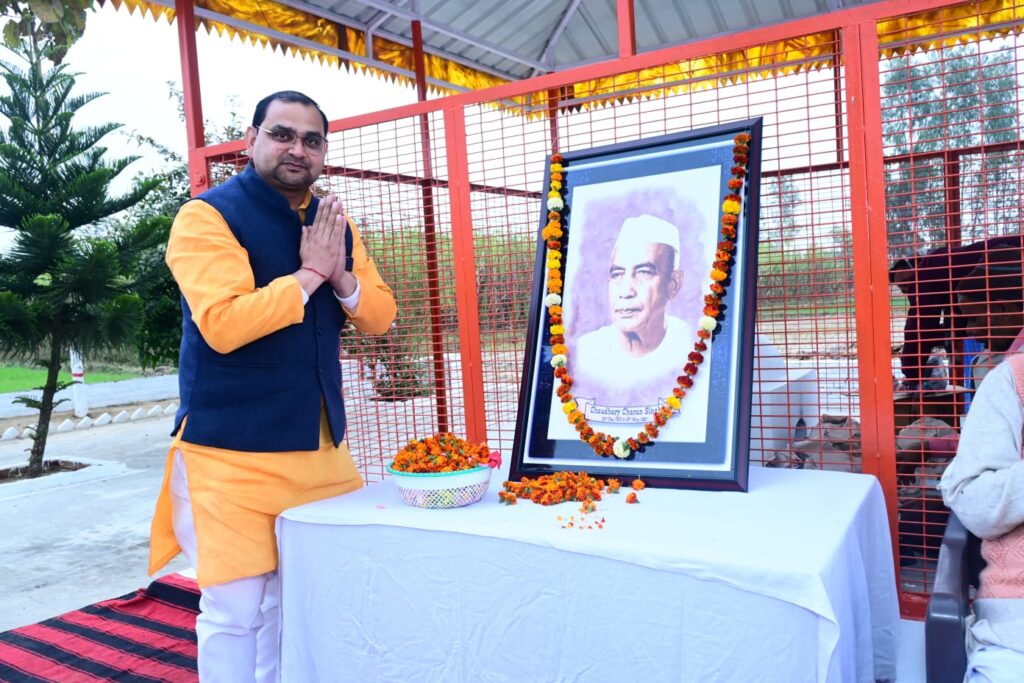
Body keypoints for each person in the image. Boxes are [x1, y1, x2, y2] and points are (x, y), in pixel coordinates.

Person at [147, 91, 397, 682]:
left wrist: (340, 276)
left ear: (323, 152)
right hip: (231, 450)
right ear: (251, 139)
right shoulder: (207, 217)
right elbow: (224, 324)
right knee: (236, 611)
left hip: (320, 451)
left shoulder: (333, 223)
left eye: (311, 140)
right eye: (282, 134)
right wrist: (309, 274)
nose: (297, 149)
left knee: (300, 605)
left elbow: (381, 316)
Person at [939, 249, 1024, 682]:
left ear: (1006, 308)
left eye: (974, 317)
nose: (970, 330)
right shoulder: (1003, 373)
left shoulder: (996, 368)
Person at [570, 214, 692, 408]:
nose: (625, 292)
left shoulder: (692, 348)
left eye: (644, 272)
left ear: (673, 284)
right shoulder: (583, 354)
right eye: (617, 274)